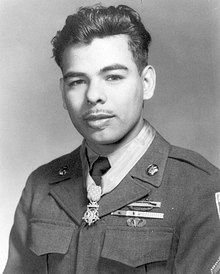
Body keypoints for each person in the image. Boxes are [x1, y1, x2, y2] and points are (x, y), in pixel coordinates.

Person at [4, 4, 220, 274]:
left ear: (147, 83)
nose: (94, 95)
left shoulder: (198, 187)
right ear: (62, 93)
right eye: (77, 81)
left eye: (113, 77)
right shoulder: (42, 185)